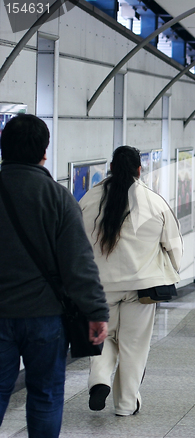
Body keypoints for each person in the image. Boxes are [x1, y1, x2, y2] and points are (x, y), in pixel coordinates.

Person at [0, 114, 109, 438]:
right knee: (45, 396)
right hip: (46, 317)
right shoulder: (58, 198)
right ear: (44, 152)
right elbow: (79, 263)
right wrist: (96, 312)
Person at [79, 146, 183, 416]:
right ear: (140, 169)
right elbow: (173, 244)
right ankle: (126, 404)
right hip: (142, 287)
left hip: (100, 286)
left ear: (111, 168)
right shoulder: (153, 201)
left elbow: (75, 241)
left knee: (104, 336)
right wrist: (174, 269)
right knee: (134, 345)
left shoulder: (89, 198)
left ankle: (99, 380)